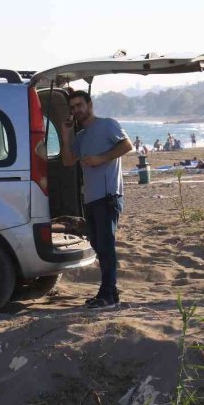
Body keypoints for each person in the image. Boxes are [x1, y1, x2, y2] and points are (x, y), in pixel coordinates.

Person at [60, 90, 134, 309]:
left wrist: (101, 158)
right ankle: (110, 291)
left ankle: (108, 294)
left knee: (105, 244)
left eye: (79, 105)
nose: (76, 110)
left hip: (108, 194)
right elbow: (67, 161)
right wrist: (66, 134)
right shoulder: (81, 136)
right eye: (72, 107)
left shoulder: (107, 124)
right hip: (91, 197)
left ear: (89, 105)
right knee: (97, 244)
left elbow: (127, 145)